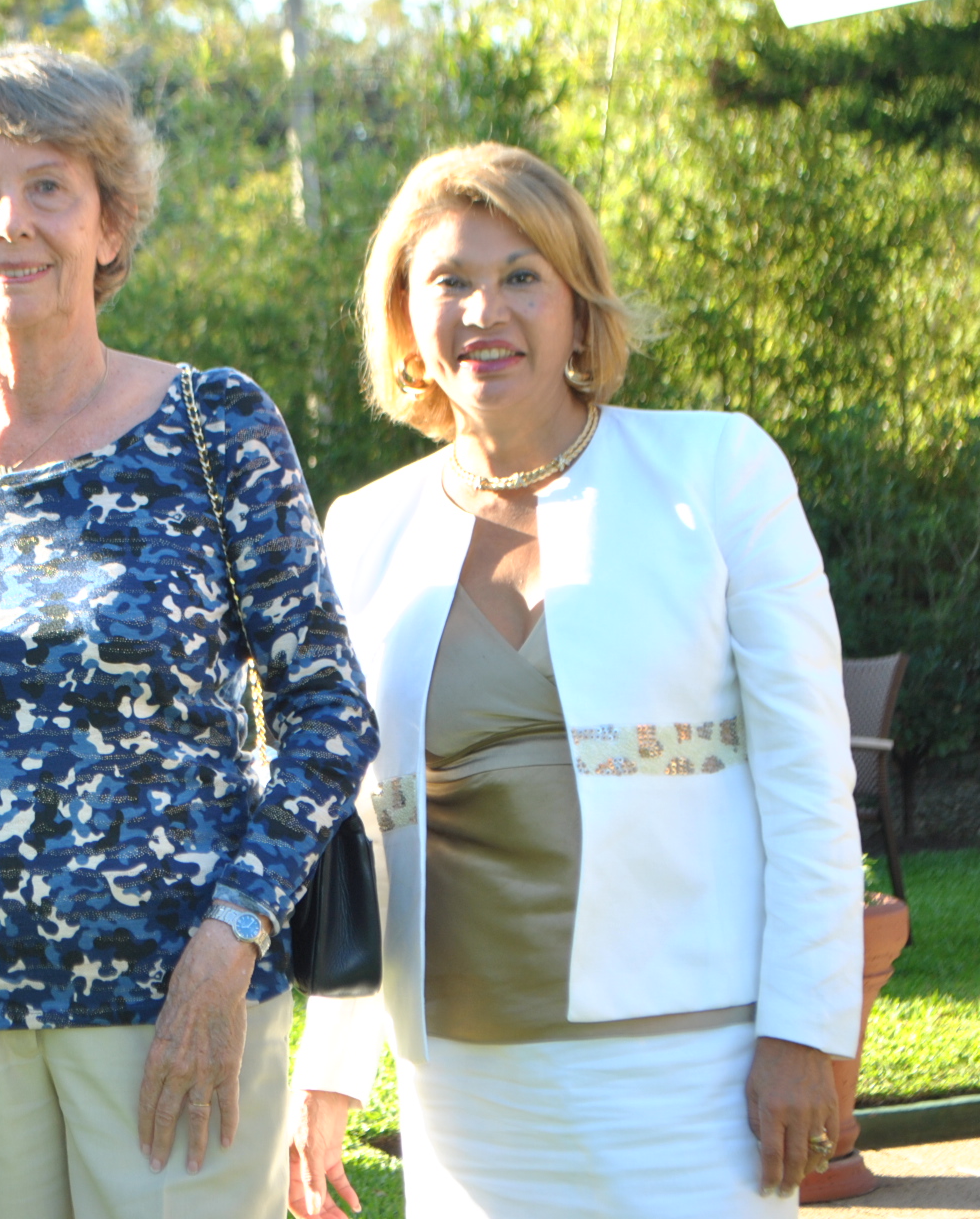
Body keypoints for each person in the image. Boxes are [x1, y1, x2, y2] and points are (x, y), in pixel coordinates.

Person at [0, 43, 379, 1219]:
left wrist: (230, 940)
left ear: (110, 222)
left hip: (174, 1012)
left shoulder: (213, 425)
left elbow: (328, 716)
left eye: (48, 186)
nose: (10, 222)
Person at [287, 144, 863, 1218]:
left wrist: (805, 1027)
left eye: (521, 275)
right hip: (466, 1089)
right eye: (449, 281)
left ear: (577, 302)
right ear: (406, 317)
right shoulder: (362, 530)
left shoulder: (719, 471)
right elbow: (356, 824)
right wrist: (330, 1067)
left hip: (696, 1070)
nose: (484, 311)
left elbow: (806, 779)